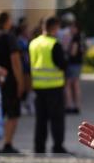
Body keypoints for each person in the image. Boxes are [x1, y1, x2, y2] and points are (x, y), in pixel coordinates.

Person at [29, 16, 68, 154]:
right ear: (54, 27)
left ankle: (39, 148)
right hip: (54, 87)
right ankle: (57, 146)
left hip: (38, 87)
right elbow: (62, 65)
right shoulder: (53, 44)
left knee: (41, 120)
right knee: (56, 120)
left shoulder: (33, 43)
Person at [0, 10, 24, 154]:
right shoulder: (8, 37)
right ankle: (7, 144)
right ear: (7, 21)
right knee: (12, 113)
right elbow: (15, 60)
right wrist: (20, 81)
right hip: (7, 81)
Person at [65, 19, 84, 114]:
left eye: (72, 27)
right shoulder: (80, 37)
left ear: (76, 28)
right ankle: (77, 105)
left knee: (68, 84)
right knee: (75, 85)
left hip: (73, 63)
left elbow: (73, 52)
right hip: (78, 63)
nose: (70, 29)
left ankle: (69, 105)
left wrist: (66, 51)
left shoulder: (75, 38)